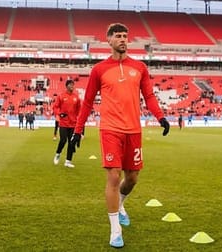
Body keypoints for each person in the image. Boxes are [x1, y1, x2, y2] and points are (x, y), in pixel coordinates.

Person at [70, 23, 170, 248]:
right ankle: (115, 231)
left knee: (132, 178)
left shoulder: (140, 67)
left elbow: (150, 96)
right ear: (109, 40)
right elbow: (87, 102)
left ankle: (121, 203)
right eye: (118, 36)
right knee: (114, 177)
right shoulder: (99, 69)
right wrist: (78, 130)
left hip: (134, 130)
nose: (123, 39)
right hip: (110, 129)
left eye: (125, 36)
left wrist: (160, 117)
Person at [53, 79, 81, 168]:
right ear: (67, 86)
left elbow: (79, 110)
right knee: (63, 140)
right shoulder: (61, 96)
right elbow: (55, 107)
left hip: (73, 124)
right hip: (63, 123)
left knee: (71, 143)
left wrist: (78, 119)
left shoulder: (76, 97)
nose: (72, 86)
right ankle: (58, 153)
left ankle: (68, 161)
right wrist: (59, 113)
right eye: (71, 85)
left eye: (73, 85)